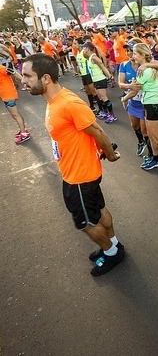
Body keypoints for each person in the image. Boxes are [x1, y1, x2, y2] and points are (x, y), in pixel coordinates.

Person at [21, 53, 124, 276]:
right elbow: (82, 134)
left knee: (85, 223)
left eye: (27, 76)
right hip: (80, 172)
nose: (23, 80)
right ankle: (114, 244)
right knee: (98, 210)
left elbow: (97, 131)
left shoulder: (69, 103)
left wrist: (110, 154)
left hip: (79, 177)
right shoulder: (54, 101)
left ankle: (111, 253)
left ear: (46, 78)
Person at [130, 43, 158, 178]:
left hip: (153, 105)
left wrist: (124, 96)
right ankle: (156, 158)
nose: (133, 56)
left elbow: (135, 88)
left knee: (157, 138)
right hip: (149, 104)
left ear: (143, 55)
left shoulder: (146, 70)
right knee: (151, 135)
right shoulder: (146, 67)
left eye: (135, 53)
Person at [82, 42, 117, 123]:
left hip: (100, 80)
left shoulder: (94, 57)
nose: (83, 50)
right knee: (100, 98)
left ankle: (112, 116)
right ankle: (105, 113)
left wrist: (110, 76)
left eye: (84, 48)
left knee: (104, 98)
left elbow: (103, 67)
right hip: (96, 80)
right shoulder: (90, 57)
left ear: (87, 48)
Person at [0, 60, 30, 143]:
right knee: (15, 114)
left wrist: (24, 81)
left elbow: (13, 72)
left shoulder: (1, 68)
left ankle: (24, 134)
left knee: (15, 115)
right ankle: (23, 129)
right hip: (6, 95)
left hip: (8, 95)